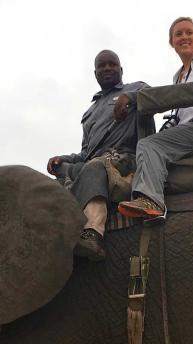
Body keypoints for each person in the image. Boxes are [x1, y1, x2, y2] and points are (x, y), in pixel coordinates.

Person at [114, 16, 193, 223]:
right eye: (179, 34)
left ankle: (152, 201)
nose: (184, 37)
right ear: (172, 43)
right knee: (148, 145)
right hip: (188, 127)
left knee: (149, 145)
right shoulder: (177, 76)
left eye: (189, 33)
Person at [47, 50, 146, 260]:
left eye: (112, 64)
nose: (107, 68)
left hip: (123, 161)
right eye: (102, 66)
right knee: (56, 178)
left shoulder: (135, 88)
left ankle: (93, 233)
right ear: (95, 73)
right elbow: (85, 152)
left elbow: (153, 93)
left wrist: (129, 98)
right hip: (93, 161)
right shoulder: (89, 113)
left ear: (121, 69)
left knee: (94, 167)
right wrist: (63, 159)